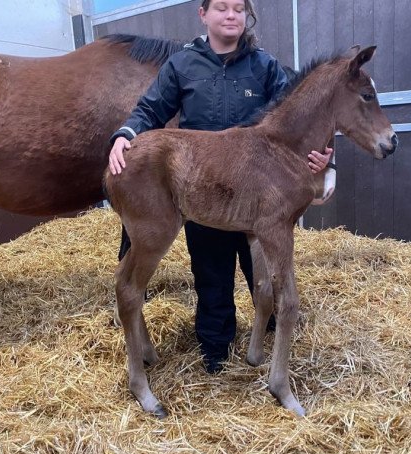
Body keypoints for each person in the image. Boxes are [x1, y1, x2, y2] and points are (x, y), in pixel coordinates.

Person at [108, 0, 332, 373]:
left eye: (239, 9)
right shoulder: (182, 64)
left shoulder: (263, 66)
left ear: (247, 16)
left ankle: (270, 340)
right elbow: (150, 109)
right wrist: (125, 135)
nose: (231, 15)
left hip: (256, 191)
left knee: (262, 274)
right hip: (204, 186)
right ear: (203, 14)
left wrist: (324, 159)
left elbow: (300, 116)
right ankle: (215, 349)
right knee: (211, 274)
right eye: (222, 8)